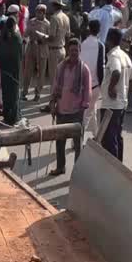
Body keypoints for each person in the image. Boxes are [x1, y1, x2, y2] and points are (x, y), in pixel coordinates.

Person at [50, 38, 91, 175]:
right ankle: (60, 167)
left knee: (78, 144)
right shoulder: (61, 67)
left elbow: (87, 91)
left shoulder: (84, 69)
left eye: (76, 50)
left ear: (80, 51)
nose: (74, 53)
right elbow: (55, 86)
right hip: (62, 111)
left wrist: (84, 107)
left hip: (76, 113)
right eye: (71, 50)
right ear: (68, 50)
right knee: (59, 142)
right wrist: (52, 103)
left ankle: (77, 172)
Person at [101, 28, 132, 160]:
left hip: (111, 105)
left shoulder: (114, 56)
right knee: (117, 136)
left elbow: (116, 72)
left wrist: (111, 88)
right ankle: (119, 164)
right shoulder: (124, 55)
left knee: (109, 140)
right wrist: (125, 93)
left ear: (108, 40)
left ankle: (112, 169)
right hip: (121, 104)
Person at [0, 15, 23, 125]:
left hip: (4, 70)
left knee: (6, 94)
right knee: (14, 94)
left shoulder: (1, 37)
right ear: (14, 25)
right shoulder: (17, 37)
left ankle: (7, 116)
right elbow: (20, 54)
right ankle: (14, 117)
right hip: (14, 71)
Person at [80, 20, 105, 135]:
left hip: (83, 83)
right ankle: (77, 139)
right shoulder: (100, 45)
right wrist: (102, 84)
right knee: (88, 114)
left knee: (92, 110)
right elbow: (101, 66)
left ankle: (96, 136)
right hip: (94, 84)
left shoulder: (83, 43)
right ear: (99, 30)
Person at [22, 4, 50, 101]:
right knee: (27, 71)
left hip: (42, 48)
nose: (38, 14)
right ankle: (24, 91)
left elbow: (49, 38)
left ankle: (37, 93)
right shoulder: (31, 22)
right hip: (31, 47)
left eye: (40, 12)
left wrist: (43, 38)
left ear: (44, 13)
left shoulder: (47, 24)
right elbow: (25, 34)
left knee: (41, 73)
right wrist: (27, 33)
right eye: (37, 11)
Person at [46, 0, 71, 99]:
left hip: (54, 50)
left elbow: (51, 37)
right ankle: (60, 99)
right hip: (63, 49)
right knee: (61, 77)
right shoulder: (66, 17)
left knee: (53, 79)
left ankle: (52, 102)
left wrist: (43, 38)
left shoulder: (54, 18)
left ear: (54, 5)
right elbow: (68, 35)